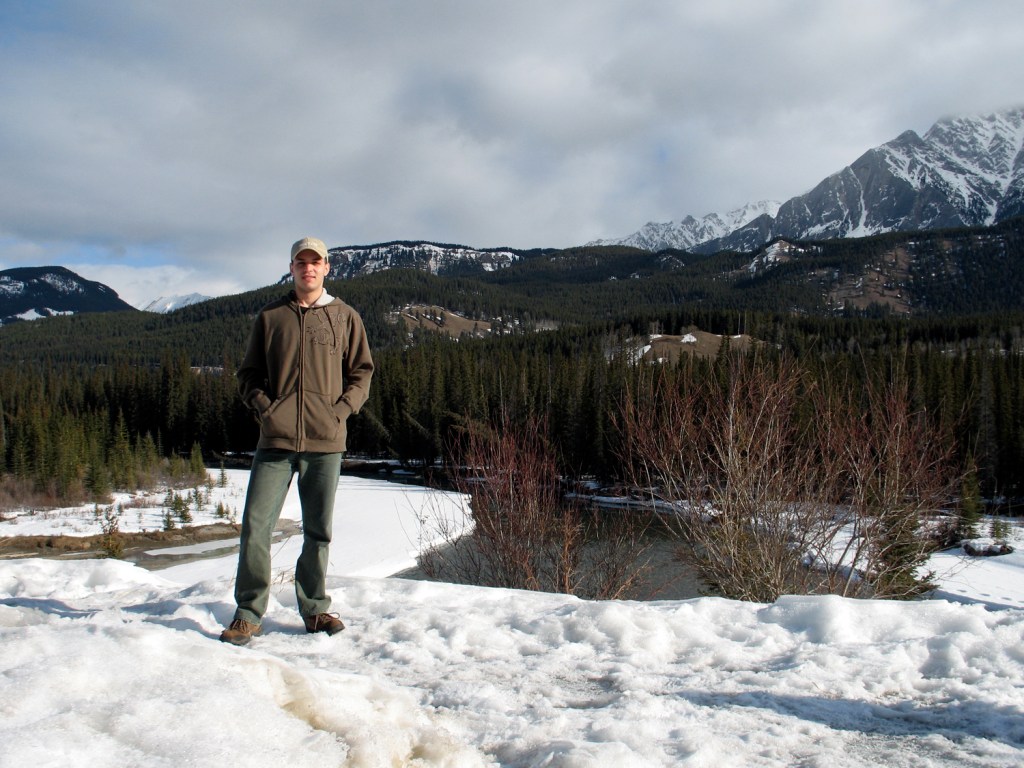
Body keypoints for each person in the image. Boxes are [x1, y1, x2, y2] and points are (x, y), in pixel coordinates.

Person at [220, 236, 374, 646]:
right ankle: (248, 613)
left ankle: (315, 609)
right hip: (276, 439)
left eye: (315, 262)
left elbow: (362, 373)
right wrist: (267, 409)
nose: (308, 268)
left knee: (318, 531)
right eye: (301, 262)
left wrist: (340, 411)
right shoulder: (271, 317)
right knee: (256, 527)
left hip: (326, 441)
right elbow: (248, 375)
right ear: (291, 268)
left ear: (327, 268)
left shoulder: (345, 317)